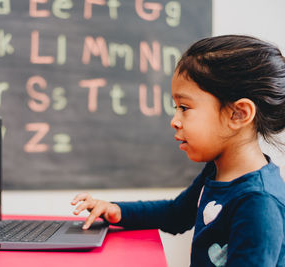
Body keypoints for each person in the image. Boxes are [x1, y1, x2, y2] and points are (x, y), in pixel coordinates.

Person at [71, 35, 285, 266]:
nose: (174, 120)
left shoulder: (259, 203)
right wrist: (118, 211)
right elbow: (177, 214)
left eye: (184, 107)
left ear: (238, 114)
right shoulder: (216, 170)